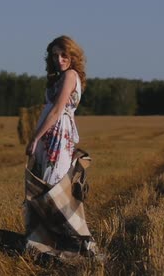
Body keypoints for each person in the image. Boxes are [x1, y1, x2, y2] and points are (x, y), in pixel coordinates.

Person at [23, 35, 97, 259]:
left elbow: (56, 110)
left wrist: (35, 138)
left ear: (72, 56)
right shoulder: (59, 77)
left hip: (57, 136)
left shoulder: (70, 75)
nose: (59, 59)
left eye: (64, 55)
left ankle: (76, 242)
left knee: (54, 187)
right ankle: (48, 239)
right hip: (50, 136)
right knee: (46, 184)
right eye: (55, 55)